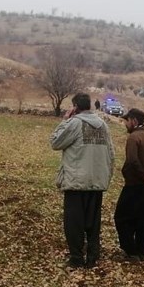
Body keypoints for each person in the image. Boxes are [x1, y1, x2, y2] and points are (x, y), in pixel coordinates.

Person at [51, 92, 114, 268]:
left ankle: (76, 258)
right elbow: (111, 154)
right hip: (97, 182)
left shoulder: (74, 123)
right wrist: (106, 177)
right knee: (93, 223)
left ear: (75, 107)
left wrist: (65, 120)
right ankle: (93, 257)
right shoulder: (103, 125)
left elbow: (55, 142)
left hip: (76, 182)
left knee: (74, 223)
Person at [113, 108, 144, 262]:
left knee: (121, 217)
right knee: (143, 219)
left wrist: (143, 176)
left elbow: (132, 161)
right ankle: (142, 251)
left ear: (134, 121)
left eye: (127, 121)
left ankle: (130, 251)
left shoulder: (133, 138)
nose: (125, 124)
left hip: (134, 184)